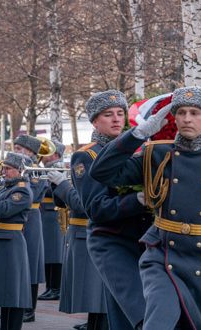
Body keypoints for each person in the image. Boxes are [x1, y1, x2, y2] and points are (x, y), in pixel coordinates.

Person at [90, 86, 201, 329]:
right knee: (158, 322)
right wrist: (137, 134)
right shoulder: (158, 152)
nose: (186, 119)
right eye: (181, 112)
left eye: (195, 112)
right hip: (163, 255)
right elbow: (102, 172)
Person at [64, 90, 151, 330]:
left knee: (128, 314)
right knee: (138, 312)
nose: (115, 119)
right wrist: (139, 200)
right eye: (107, 114)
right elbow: (96, 209)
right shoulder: (87, 156)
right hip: (113, 241)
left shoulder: (137, 150)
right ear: (94, 121)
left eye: (120, 113)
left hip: (143, 241)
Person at [48, 167, 108, 329]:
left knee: (94, 290)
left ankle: (98, 323)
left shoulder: (97, 178)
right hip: (79, 234)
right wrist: (57, 186)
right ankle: (93, 322)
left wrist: (63, 184)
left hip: (89, 234)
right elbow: (64, 203)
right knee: (91, 291)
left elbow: (82, 205)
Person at [0, 152, 33, 330]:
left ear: (19, 170)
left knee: (13, 290)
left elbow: (3, 209)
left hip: (11, 243)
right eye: (3, 168)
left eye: (8, 169)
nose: (4, 171)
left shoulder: (22, 190)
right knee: (4, 291)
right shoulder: (5, 187)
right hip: (0, 242)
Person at [12, 134, 48, 322]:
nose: (15, 152)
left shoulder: (35, 171)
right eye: (15, 148)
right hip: (16, 219)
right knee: (16, 263)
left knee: (31, 263)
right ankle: (15, 306)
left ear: (30, 152)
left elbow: (30, 195)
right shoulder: (17, 168)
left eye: (19, 149)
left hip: (31, 218)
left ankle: (29, 309)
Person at [37, 140, 66, 301]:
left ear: (56, 154)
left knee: (55, 252)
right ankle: (50, 287)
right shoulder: (46, 168)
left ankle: (56, 287)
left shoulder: (58, 167)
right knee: (48, 252)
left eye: (47, 153)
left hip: (54, 212)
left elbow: (57, 189)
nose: (44, 156)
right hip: (46, 213)